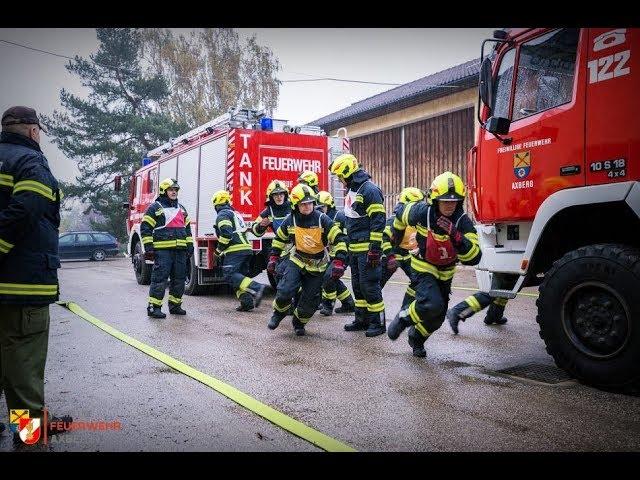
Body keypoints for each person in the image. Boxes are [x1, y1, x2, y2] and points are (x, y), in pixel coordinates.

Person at [0, 106, 72, 443]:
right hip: (21, 287)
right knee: (23, 367)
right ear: (32, 131)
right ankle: (28, 435)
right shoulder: (30, 163)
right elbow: (25, 210)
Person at [387, 171, 481, 357]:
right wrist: (396, 235)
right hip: (423, 266)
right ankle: (403, 318)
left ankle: (416, 338)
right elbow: (401, 212)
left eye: (453, 201)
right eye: (445, 201)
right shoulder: (423, 212)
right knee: (432, 304)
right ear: (435, 199)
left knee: (437, 318)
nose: (449, 205)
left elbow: (475, 257)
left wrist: (457, 237)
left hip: (446, 273)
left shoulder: (462, 222)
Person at [267, 184, 347, 335]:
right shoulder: (290, 220)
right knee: (285, 290)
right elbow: (279, 240)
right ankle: (278, 314)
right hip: (297, 260)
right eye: (303, 204)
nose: (307, 206)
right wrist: (273, 258)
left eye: (310, 203)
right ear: (296, 205)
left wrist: (339, 261)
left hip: (318, 266)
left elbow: (340, 239)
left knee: (310, 302)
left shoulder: (322, 219)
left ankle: (298, 323)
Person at [330, 153, 387, 337]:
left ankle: (378, 323)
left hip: (367, 249)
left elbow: (378, 220)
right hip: (354, 249)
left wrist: (375, 249)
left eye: (340, 177)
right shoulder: (354, 190)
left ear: (347, 173)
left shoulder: (369, 190)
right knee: (358, 285)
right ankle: (362, 319)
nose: (339, 181)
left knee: (369, 285)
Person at [141, 178, 193, 318]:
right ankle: (154, 308)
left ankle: (175, 306)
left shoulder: (181, 208)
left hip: (180, 250)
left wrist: (190, 245)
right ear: (164, 191)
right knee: (159, 279)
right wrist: (149, 248)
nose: (174, 192)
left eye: (176, 190)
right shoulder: (155, 208)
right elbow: (145, 228)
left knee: (179, 279)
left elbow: (187, 229)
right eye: (171, 190)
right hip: (163, 251)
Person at [211, 190, 267, 311]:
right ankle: (246, 303)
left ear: (216, 204)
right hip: (246, 249)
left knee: (229, 274)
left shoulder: (222, 214)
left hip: (235, 250)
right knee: (239, 278)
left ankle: (257, 287)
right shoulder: (234, 213)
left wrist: (217, 252)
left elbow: (226, 234)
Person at [380, 187, 426, 309]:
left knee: (418, 282)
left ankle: (406, 310)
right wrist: (389, 256)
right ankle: (369, 314)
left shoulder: (418, 219)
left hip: (409, 256)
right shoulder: (394, 219)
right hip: (392, 255)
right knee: (375, 285)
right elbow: (384, 238)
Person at [316, 191, 355, 316]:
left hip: (344, 253)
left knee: (329, 277)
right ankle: (348, 303)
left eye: (322, 206)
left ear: (329, 205)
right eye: (318, 207)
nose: (320, 209)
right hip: (332, 254)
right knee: (332, 277)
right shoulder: (321, 219)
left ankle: (328, 305)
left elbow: (345, 238)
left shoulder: (340, 216)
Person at [251, 179, 291, 287]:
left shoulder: (293, 207)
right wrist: (261, 226)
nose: (279, 197)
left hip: (296, 244)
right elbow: (255, 230)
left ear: (285, 194)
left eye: (281, 193)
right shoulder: (269, 211)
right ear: (271, 196)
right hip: (280, 246)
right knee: (276, 270)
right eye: (275, 194)